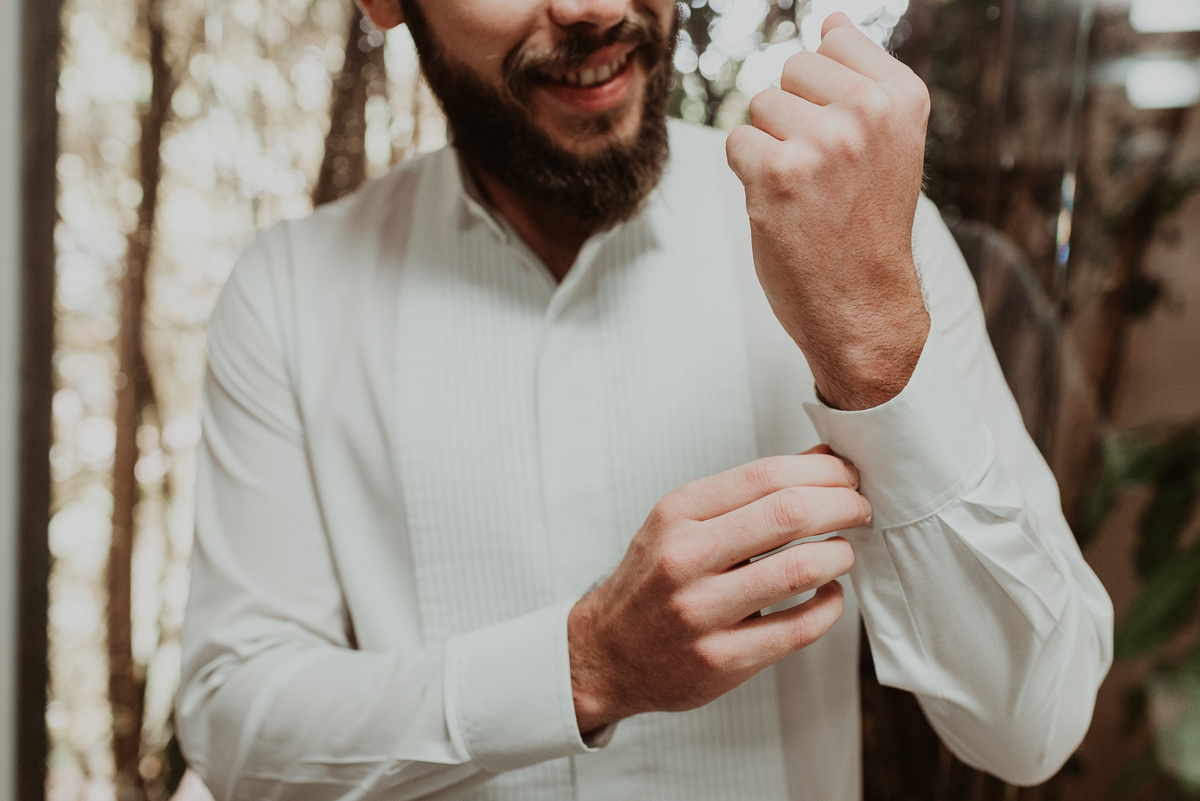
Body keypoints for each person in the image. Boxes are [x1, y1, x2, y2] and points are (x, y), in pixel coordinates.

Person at [175, 0, 1114, 799]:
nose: (592, 7)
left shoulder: (865, 235)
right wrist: (585, 667)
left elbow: (1035, 719)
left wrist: (875, 353)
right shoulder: (290, 292)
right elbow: (233, 722)